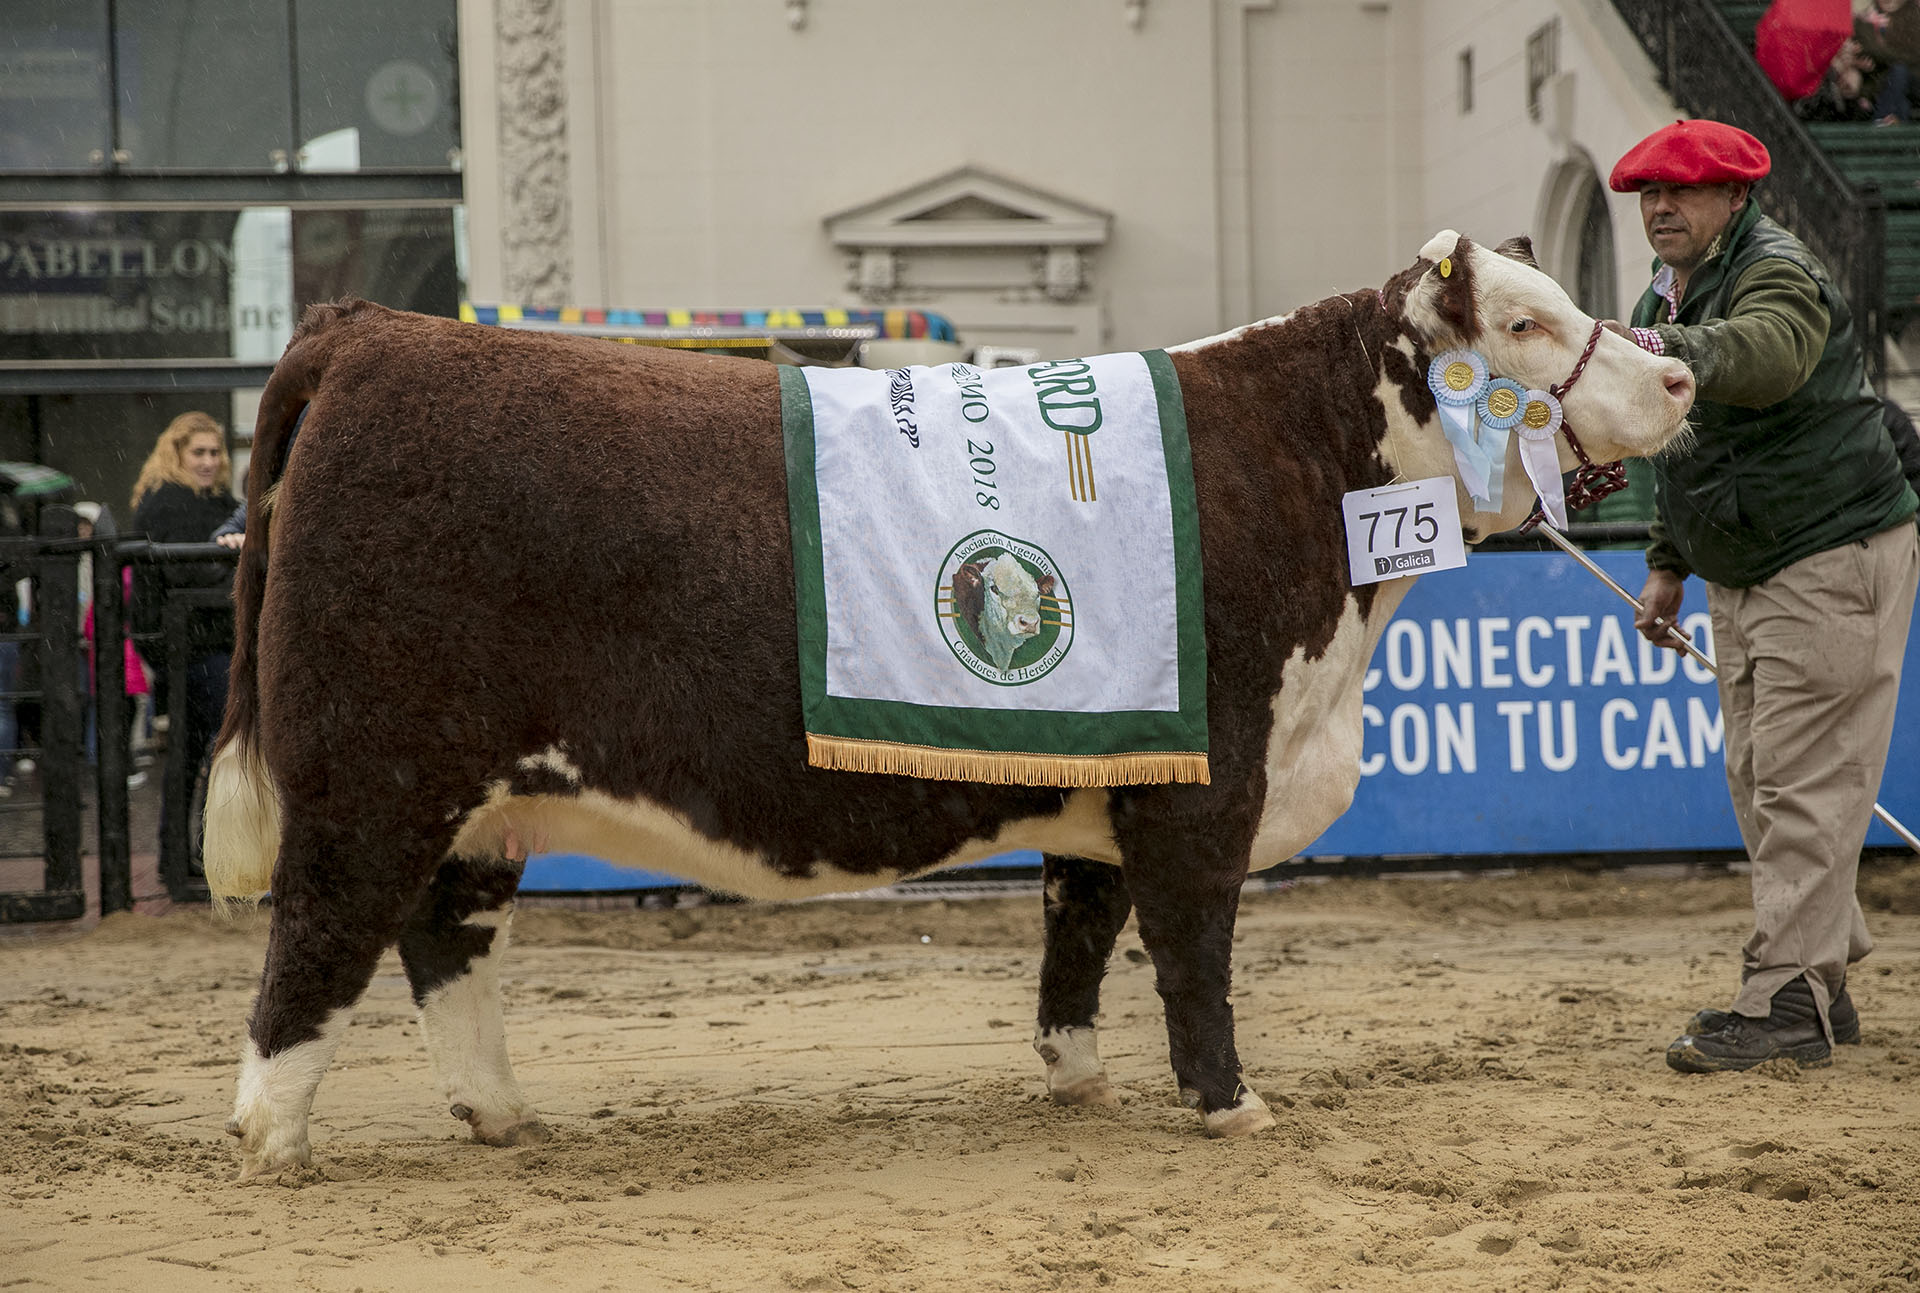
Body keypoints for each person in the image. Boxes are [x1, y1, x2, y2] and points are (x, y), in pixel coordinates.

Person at [1608, 119, 1920, 1073]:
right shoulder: (1671, 292)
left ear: (1735, 199)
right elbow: (1678, 444)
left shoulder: (1776, 270)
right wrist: (1667, 560)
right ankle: (1819, 976)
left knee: (1798, 783)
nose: (1661, 207)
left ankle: (1786, 993)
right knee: (1764, 779)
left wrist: (1653, 344)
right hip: (1756, 565)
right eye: (1650, 193)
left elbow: (1772, 354)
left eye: (1684, 191)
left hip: (1829, 554)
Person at [129, 412, 239, 858]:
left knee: (193, 752)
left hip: (196, 645)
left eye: (215, 452)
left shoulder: (211, 503)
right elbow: (186, 575)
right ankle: (205, 854)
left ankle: (182, 853)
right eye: (199, 452)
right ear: (177, 454)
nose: (209, 461)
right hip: (195, 646)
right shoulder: (168, 503)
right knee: (219, 748)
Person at [1855, 0, 1920, 122]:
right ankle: (1890, 125)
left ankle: (1881, 118)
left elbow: (1913, 55)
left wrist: (1880, 49)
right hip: (1881, 80)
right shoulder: (1865, 21)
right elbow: (1865, 54)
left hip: (1912, 79)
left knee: (1899, 70)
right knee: (1901, 103)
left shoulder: (1914, 17)